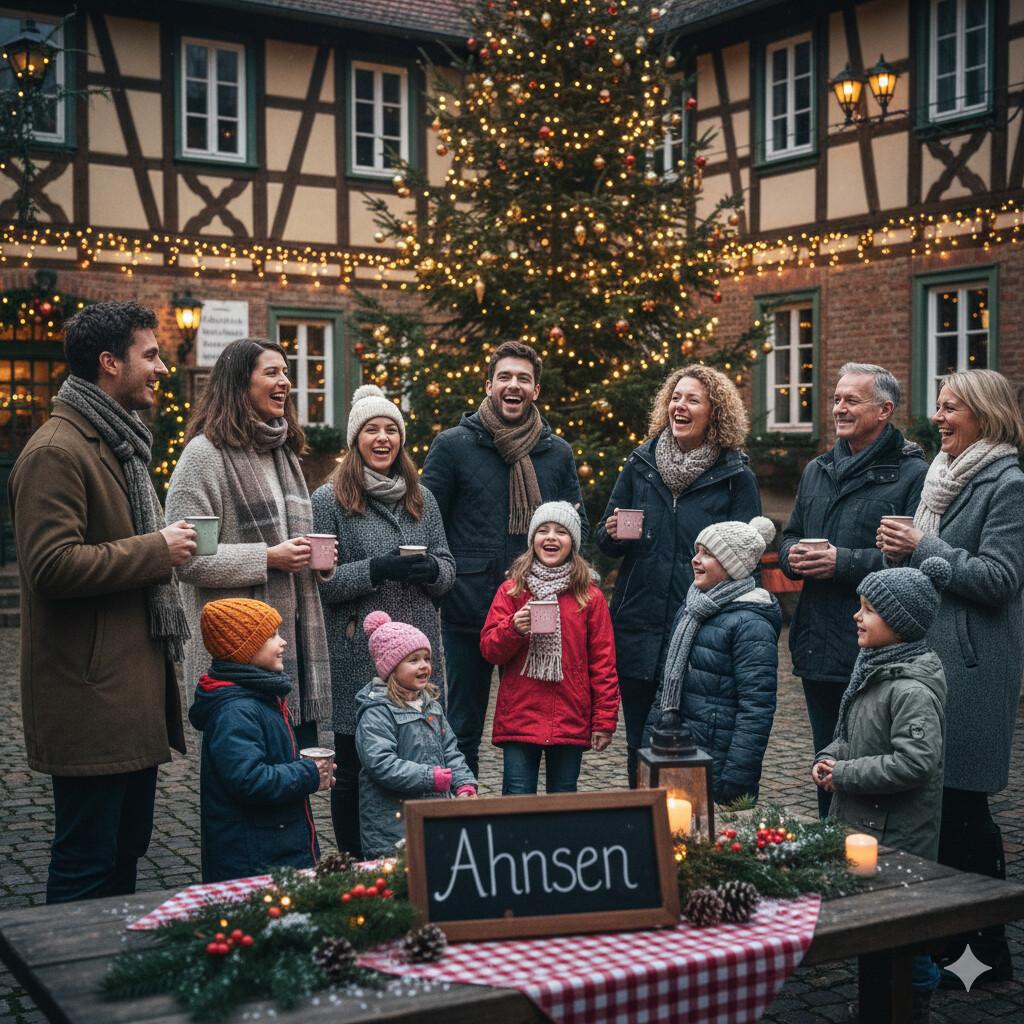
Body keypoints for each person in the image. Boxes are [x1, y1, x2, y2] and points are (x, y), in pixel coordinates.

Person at [9, 301, 195, 903]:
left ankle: (112, 982)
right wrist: (155, 550)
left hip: (125, 693)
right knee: (87, 862)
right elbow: (50, 567)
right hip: (89, 697)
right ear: (110, 363)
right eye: (151, 355)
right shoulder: (56, 452)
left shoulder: (119, 442)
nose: (162, 368)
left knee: (124, 854)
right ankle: (69, 987)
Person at [877, 368, 1024, 985]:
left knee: (965, 809)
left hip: (974, 667)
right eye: (937, 406)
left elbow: (1000, 579)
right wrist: (898, 551)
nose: (938, 417)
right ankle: (948, 945)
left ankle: (986, 955)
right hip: (931, 664)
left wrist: (923, 549)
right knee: (940, 805)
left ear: (985, 413)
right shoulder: (941, 476)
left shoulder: (1008, 482)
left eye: (951, 407)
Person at [421, 341, 586, 778]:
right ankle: (462, 808)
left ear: (536, 390)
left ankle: (523, 812)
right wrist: (442, 582)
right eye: (505, 377)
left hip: (538, 612)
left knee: (532, 722)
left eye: (524, 379)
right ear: (489, 384)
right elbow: (426, 518)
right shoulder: (453, 446)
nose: (514, 385)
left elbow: (574, 522)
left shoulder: (557, 453)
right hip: (467, 608)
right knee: (462, 725)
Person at [595, 364, 761, 787]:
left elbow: (747, 555)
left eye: (692, 399)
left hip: (701, 629)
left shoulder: (735, 476)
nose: (679, 406)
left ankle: (685, 839)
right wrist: (612, 533)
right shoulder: (641, 464)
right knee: (639, 746)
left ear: (714, 413)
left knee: (690, 748)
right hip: (638, 627)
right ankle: (642, 828)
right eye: (675, 397)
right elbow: (603, 539)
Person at [166, 337, 332, 751]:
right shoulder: (203, 457)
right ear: (240, 383)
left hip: (289, 651)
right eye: (272, 372)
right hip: (236, 657)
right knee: (246, 787)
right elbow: (189, 558)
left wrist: (314, 559)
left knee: (295, 781)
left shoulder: (285, 456)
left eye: (286, 373)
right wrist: (269, 558)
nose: (285, 383)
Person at [312, 384, 455, 857]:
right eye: (371, 429)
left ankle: (415, 853)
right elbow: (324, 583)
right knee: (355, 765)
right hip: (359, 654)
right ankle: (356, 858)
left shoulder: (423, 499)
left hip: (417, 652)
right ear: (356, 440)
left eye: (391, 429)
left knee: (420, 751)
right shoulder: (329, 500)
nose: (382, 438)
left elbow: (448, 569)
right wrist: (377, 569)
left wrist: (432, 570)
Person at [779, 363, 926, 818]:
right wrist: (793, 557)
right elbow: (790, 536)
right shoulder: (818, 470)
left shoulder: (912, 475)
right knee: (826, 759)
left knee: (870, 765)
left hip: (877, 648)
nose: (839, 408)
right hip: (818, 644)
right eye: (837, 399)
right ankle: (829, 846)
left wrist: (843, 562)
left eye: (850, 400)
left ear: (884, 410)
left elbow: (915, 562)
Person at [813, 558, 951, 1021]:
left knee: (903, 932)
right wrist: (829, 756)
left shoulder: (910, 688)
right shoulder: (874, 669)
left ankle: (912, 1002)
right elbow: (854, 734)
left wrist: (845, 773)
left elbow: (915, 762)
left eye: (869, 609)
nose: (857, 615)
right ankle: (878, 997)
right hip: (868, 826)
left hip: (899, 835)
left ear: (899, 623)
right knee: (875, 923)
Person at [480, 501, 619, 795]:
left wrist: (604, 721)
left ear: (573, 543)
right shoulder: (512, 590)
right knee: (517, 801)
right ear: (533, 540)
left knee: (563, 803)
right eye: (543, 530)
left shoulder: (589, 597)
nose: (552, 537)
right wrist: (513, 628)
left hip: (570, 716)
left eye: (561, 531)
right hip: (520, 715)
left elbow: (603, 662)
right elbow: (490, 649)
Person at [188, 599, 332, 883]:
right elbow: (249, 779)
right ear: (243, 650)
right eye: (271, 636)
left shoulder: (260, 696)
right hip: (255, 863)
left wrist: (308, 770)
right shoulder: (236, 712)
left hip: (274, 848)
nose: (283, 642)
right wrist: (308, 773)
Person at [644, 517, 781, 805]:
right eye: (697, 551)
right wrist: (651, 738)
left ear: (732, 565)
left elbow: (756, 707)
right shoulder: (693, 607)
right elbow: (668, 683)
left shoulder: (751, 624)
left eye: (707, 554)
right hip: (678, 746)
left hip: (718, 759)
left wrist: (736, 776)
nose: (695, 560)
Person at [355, 612, 477, 858]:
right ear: (391, 667)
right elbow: (381, 763)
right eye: (413, 660)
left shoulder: (430, 705)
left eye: (427, 658)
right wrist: (429, 777)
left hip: (433, 816)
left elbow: (451, 751)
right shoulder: (377, 711)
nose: (424, 666)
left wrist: (464, 783)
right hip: (392, 824)